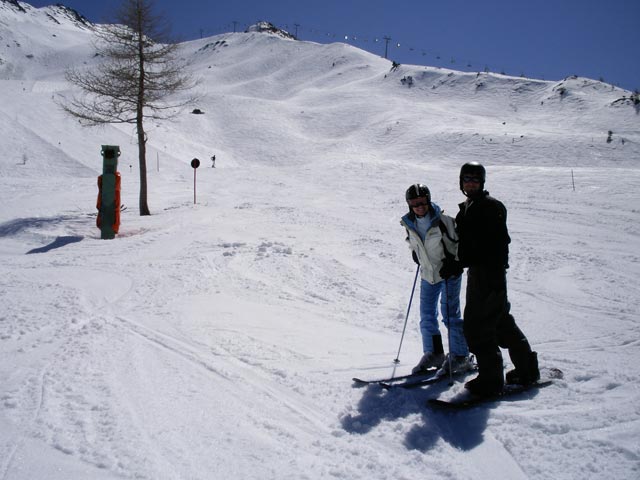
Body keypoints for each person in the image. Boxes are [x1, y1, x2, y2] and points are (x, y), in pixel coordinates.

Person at [455, 162, 539, 396]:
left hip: (489, 276)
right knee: (501, 323)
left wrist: (464, 260)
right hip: (480, 275)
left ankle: (491, 380)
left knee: (477, 326)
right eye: (466, 179)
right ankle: (527, 370)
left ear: (482, 182)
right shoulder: (469, 207)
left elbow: (494, 245)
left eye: (474, 179)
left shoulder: (491, 207)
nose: (470, 183)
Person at [401, 184, 472, 375]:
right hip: (428, 274)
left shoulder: (443, 221)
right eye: (414, 203)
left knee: (449, 314)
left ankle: (460, 356)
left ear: (428, 200)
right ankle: (434, 353)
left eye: (422, 202)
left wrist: (455, 263)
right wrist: (416, 254)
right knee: (426, 315)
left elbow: (458, 244)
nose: (419, 207)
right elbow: (413, 242)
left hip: (448, 273)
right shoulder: (409, 223)